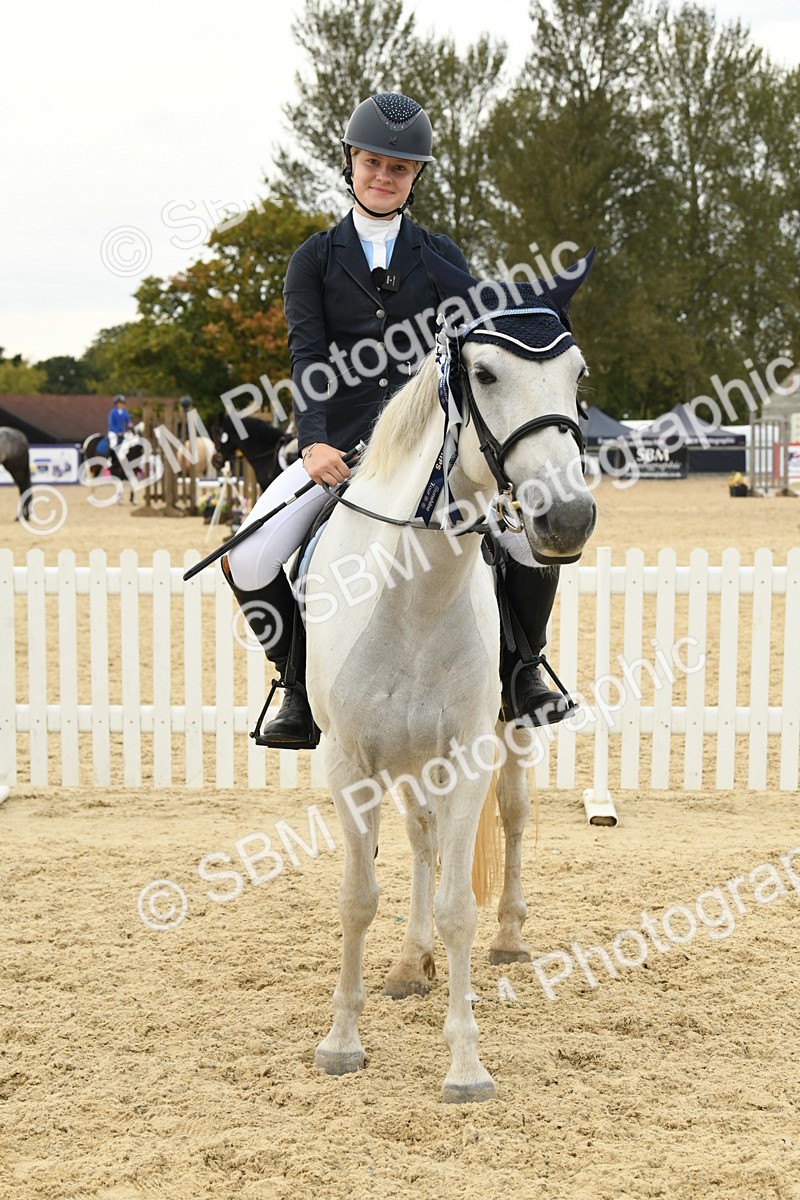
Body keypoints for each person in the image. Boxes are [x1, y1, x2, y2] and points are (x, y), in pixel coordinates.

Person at [224, 92, 573, 750]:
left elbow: (471, 351)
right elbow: (307, 355)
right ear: (351, 163)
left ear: (416, 178)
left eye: (399, 169)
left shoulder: (441, 255)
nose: (383, 177)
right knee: (246, 557)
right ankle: (295, 685)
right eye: (373, 164)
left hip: (433, 446)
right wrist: (315, 442)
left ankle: (525, 672)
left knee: (528, 543)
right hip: (341, 449)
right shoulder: (313, 260)